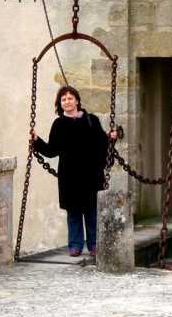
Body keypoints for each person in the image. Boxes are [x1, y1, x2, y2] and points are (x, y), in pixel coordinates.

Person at [31, 85, 117, 257]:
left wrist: (110, 138)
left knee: (92, 212)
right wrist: (36, 140)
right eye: (63, 99)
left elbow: (101, 144)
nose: (67, 102)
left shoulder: (91, 120)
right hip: (69, 176)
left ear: (77, 100)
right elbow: (51, 150)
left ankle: (94, 245)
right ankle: (75, 246)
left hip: (91, 174)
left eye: (70, 98)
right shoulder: (59, 124)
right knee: (74, 213)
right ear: (60, 103)